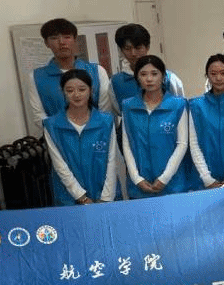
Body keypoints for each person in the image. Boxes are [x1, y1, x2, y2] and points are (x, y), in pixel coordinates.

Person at [41, 69, 118, 205]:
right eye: (70, 90)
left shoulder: (106, 122)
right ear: (62, 92)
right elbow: (59, 165)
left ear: (91, 90)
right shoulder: (52, 125)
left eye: (82, 89)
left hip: (105, 194)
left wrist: (106, 198)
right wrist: (81, 197)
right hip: (69, 197)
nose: (76, 95)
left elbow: (112, 160)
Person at [25, 18, 113, 135]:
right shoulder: (36, 77)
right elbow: (39, 116)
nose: (61, 42)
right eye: (54, 38)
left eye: (67, 37)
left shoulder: (97, 71)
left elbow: (105, 110)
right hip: (58, 138)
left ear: (75, 39)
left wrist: (88, 132)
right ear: (46, 43)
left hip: (96, 135)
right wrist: (63, 136)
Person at [121, 54, 191, 198]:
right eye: (143, 74)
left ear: (163, 76)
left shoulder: (178, 105)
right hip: (140, 185)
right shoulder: (128, 106)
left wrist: (164, 178)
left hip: (172, 184)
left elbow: (182, 144)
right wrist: (137, 179)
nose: (149, 79)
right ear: (137, 77)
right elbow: (127, 145)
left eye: (154, 74)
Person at [187, 53, 224, 189]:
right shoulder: (196, 105)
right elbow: (193, 144)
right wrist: (207, 179)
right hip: (204, 181)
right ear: (207, 75)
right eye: (213, 74)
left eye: (223, 73)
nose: (218, 78)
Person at [111, 23, 184, 110]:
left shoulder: (169, 78)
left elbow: (181, 107)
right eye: (127, 49)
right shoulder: (116, 82)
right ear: (121, 50)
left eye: (138, 48)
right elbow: (116, 111)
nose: (133, 53)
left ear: (147, 47)